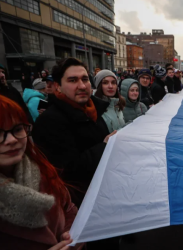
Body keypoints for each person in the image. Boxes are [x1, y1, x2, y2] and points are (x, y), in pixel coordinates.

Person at [0, 95, 83, 250]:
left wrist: (71, 235)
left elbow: (68, 208)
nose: (11, 140)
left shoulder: (41, 169)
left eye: (17, 129)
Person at [32, 58, 116, 207]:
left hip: (105, 192)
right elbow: (65, 171)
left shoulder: (94, 110)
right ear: (58, 86)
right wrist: (105, 146)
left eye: (85, 79)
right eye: (73, 80)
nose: (82, 86)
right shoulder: (49, 122)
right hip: (79, 204)